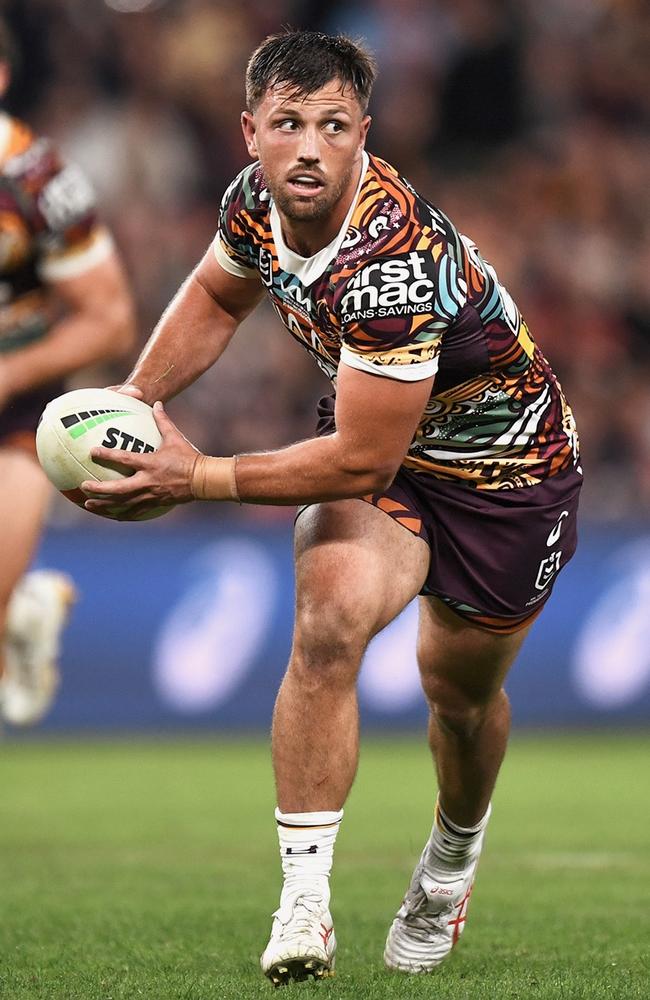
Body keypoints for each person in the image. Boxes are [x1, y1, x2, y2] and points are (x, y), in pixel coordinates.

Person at [81, 30, 582, 984]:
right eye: (287, 124)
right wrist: (135, 403)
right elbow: (216, 300)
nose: (309, 147)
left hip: (505, 478)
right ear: (250, 132)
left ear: (364, 134)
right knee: (327, 621)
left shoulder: (394, 263)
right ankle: (304, 904)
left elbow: (358, 458)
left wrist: (196, 478)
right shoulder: (252, 204)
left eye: (333, 126)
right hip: (391, 463)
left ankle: (451, 860)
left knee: (460, 697)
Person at [0, 18, 135, 727]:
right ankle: (20, 608)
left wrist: (9, 373)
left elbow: (108, 318)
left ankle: (11, 601)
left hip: (14, 409)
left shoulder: (37, 181)